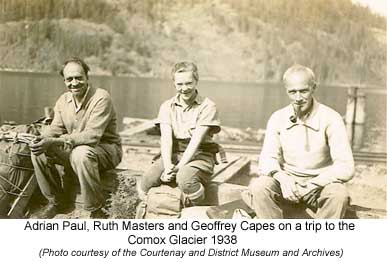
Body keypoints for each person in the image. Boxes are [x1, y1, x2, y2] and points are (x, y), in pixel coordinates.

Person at [248, 64, 355, 218]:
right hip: (287, 184)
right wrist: (282, 178)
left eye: (303, 91)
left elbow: (346, 166)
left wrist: (314, 184)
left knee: (339, 195)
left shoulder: (331, 118)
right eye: (292, 92)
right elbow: (266, 160)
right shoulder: (278, 118)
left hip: (320, 184)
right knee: (259, 187)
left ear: (313, 88)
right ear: (286, 91)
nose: (298, 98)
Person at [30, 57, 122, 218]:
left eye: (79, 78)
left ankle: (95, 208)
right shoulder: (63, 100)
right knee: (39, 151)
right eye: (69, 79)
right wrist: (42, 139)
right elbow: (55, 129)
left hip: (106, 150)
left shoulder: (101, 97)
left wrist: (56, 141)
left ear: (87, 77)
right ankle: (56, 201)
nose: (74, 83)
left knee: (81, 154)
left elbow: (92, 136)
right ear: (64, 81)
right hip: (74, 149)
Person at [139, 61, 221, 206]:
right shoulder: (166, 106)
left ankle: (197, 208)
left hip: (200, 154)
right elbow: (166, 139)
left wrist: (179, 167)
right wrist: (168, 164)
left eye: (189, 83)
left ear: (196, 81)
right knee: (148, 179)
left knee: (185, 179)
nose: (184, 89)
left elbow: (196, 141)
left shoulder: (208, 106)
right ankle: (148, 211)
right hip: (174, 153)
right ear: (174, 84)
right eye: (180, 84)